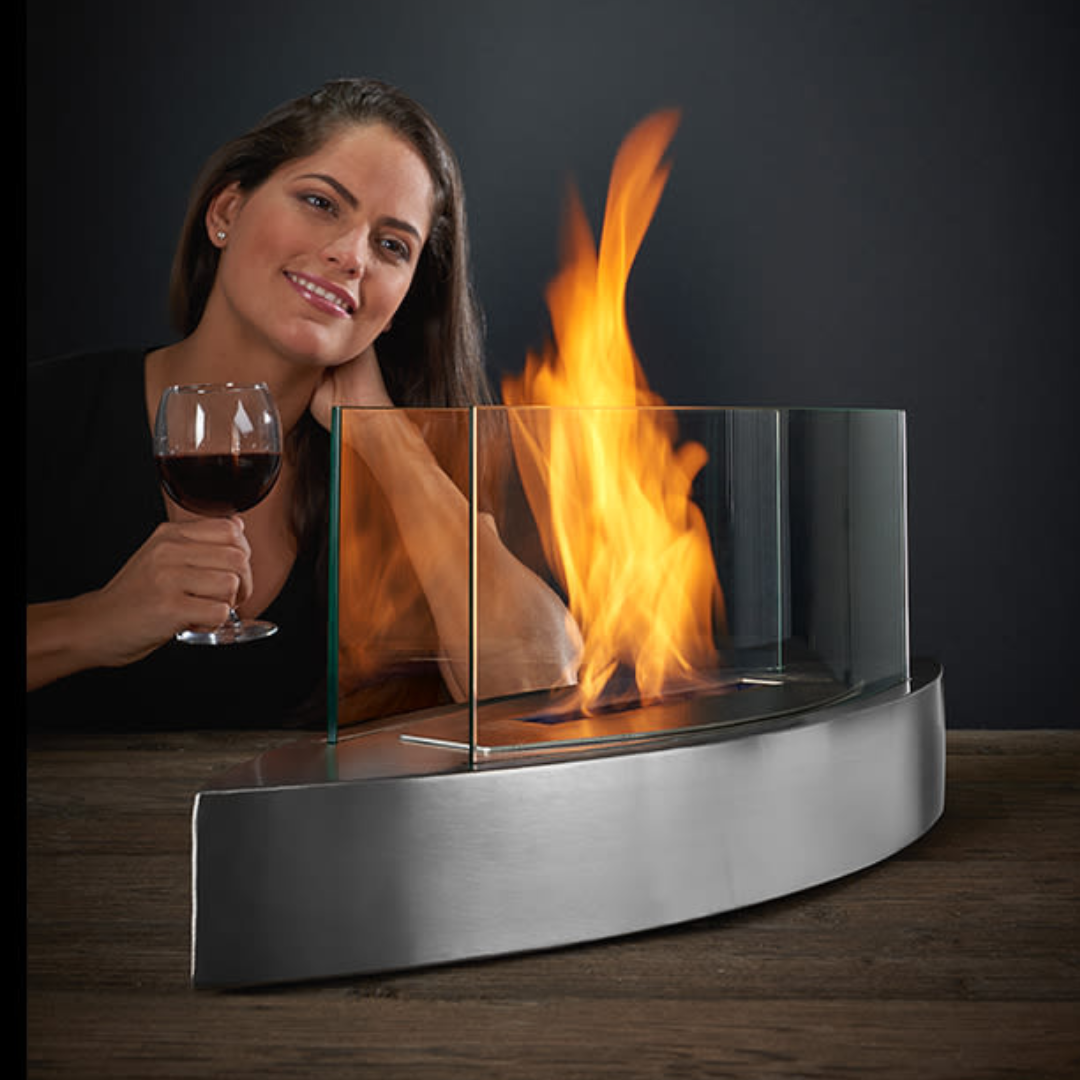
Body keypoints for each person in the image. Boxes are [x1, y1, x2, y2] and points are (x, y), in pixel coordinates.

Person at [26, 77, 581, 731]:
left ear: (399, 304)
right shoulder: (50, 413)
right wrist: (96, 622)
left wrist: (383, 437)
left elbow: (541, 692)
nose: (350, 255)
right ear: (226, 212)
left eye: (391, 246)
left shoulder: (402, 480)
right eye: (321, 203)